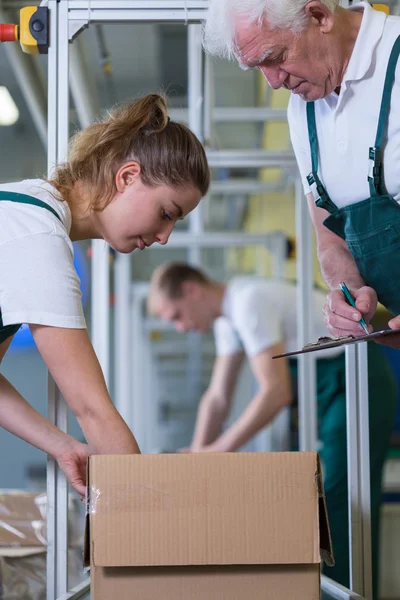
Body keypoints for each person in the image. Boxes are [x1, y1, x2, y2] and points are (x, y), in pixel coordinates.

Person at [0, 94, 210, 497]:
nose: (165, 237)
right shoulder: (38, 238)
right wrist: (153, 519)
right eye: (167, 213)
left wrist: (62, 445)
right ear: (127, 176)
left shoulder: (31, 213)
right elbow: (93, 410)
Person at [149, 262, 396, 595]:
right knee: (324, 496)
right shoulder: (228, 318)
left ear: (192, 290)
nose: (180, 328)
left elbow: (275, 392)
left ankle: (349, 593)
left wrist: (217, 452)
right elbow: (217, 398)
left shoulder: (248, 301)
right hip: (330, 390)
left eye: (176, 315)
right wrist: (197, 455)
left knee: (337, 498)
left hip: (355, 379)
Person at [203, 0, 400, 345]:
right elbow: (329, 238)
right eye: (257, 68)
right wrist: (348, 292)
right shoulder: (302, 113)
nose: (274, 82)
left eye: (275, 57)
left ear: (319, 16)